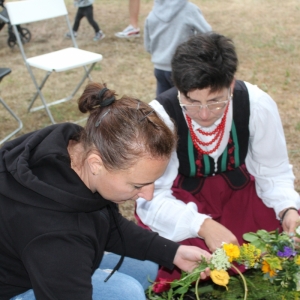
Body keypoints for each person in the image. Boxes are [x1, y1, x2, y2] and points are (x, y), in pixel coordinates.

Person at [0, 82, 211, 300]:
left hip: (42, 259)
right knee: (127, 294)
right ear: (95, 164)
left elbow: (105, 222)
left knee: (146, 266)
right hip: (13, 286)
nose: (148, 195)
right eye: (138, 185)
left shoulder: (77, 148)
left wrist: (173, 252)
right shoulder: (57, 237)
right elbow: (71, 237)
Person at [135, 32, 300, 281]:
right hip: (184, 199)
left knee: (282, 234)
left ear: (231, 85)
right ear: (178, 87)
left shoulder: (256, 104)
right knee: (183, 257)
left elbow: (272, 170)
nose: (203, 114)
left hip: (240, 193)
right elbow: (153, 196)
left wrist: (287, 208)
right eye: (191, 101)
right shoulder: (160, 117)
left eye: (215, 101)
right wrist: (201, 225)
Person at [144, 0, 211, 97]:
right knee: (186, 104)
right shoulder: (190, 9)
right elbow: (207, 33)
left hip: (159, 68)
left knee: (163, 105)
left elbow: (148, 46)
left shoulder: (153, 13)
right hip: (183, 68)